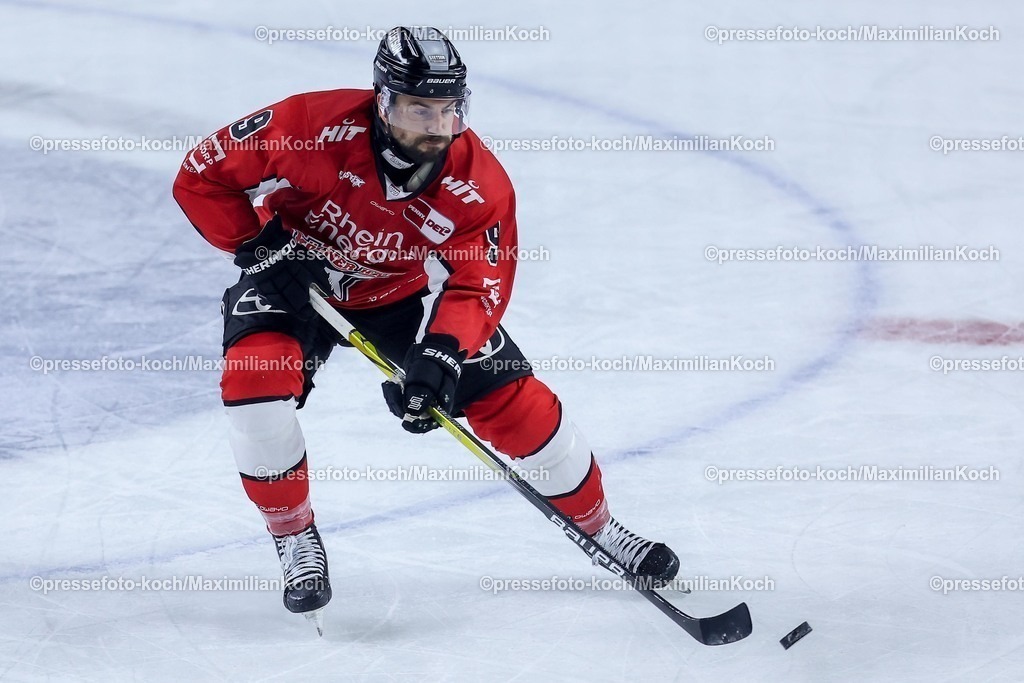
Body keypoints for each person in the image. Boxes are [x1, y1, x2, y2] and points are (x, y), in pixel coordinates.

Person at [173, 26, 678, 631]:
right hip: (291, 274)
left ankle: (602, 529)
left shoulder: (478, 182)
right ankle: (294, 536)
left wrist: (439, 357)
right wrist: (259, 246)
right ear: (383, 100)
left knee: (519, 405)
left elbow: (478, 283)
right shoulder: (308, 124)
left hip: (395, 293)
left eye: (449, 110)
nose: (437, 126)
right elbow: (202, 174)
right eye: (420, 108)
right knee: (255, 394)